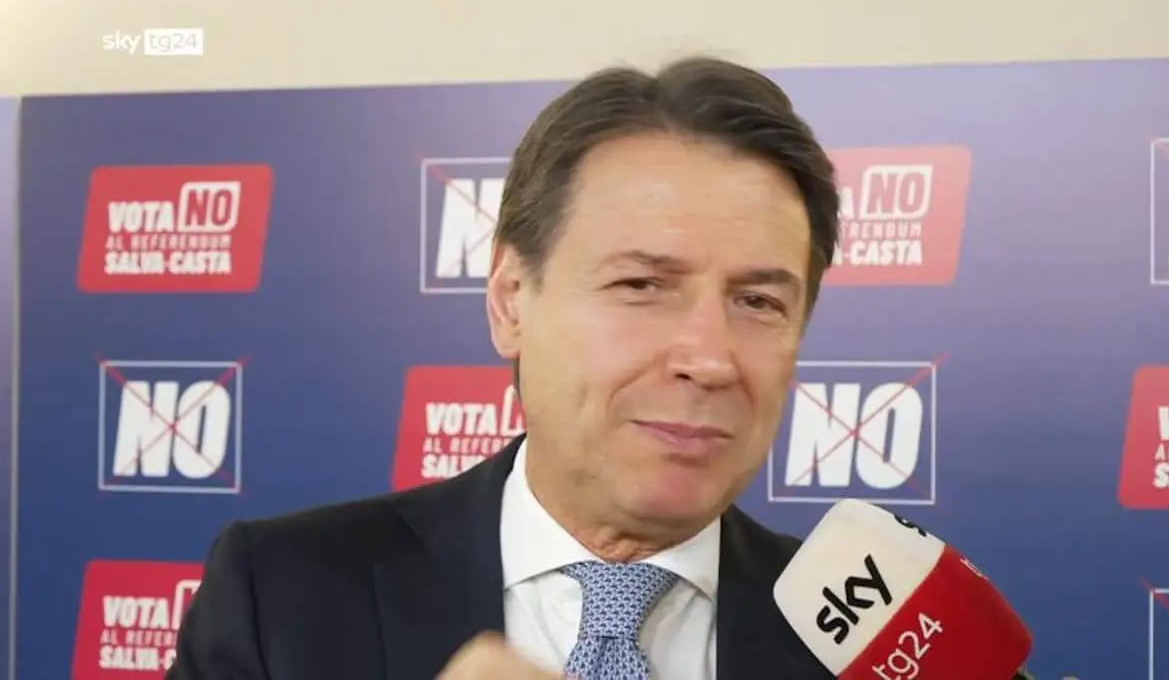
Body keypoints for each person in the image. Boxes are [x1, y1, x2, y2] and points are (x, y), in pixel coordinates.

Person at [167, 55, 841, 680]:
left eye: (758, 301)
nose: (709, 358)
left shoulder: (870, 642)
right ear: (511, 299)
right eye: (641, 285)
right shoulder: (282, 596)